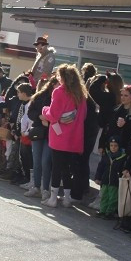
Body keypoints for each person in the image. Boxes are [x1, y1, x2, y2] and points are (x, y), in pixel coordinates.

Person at [41, 64, 88, 208]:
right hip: (74, 136)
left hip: (59, 134)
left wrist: (45, 110)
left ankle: (53, 198)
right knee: (67, 168)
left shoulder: (59, 91)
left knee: (56, 166)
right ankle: (67, 198)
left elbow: (53, 114)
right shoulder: (81, 93)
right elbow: (83, 116)